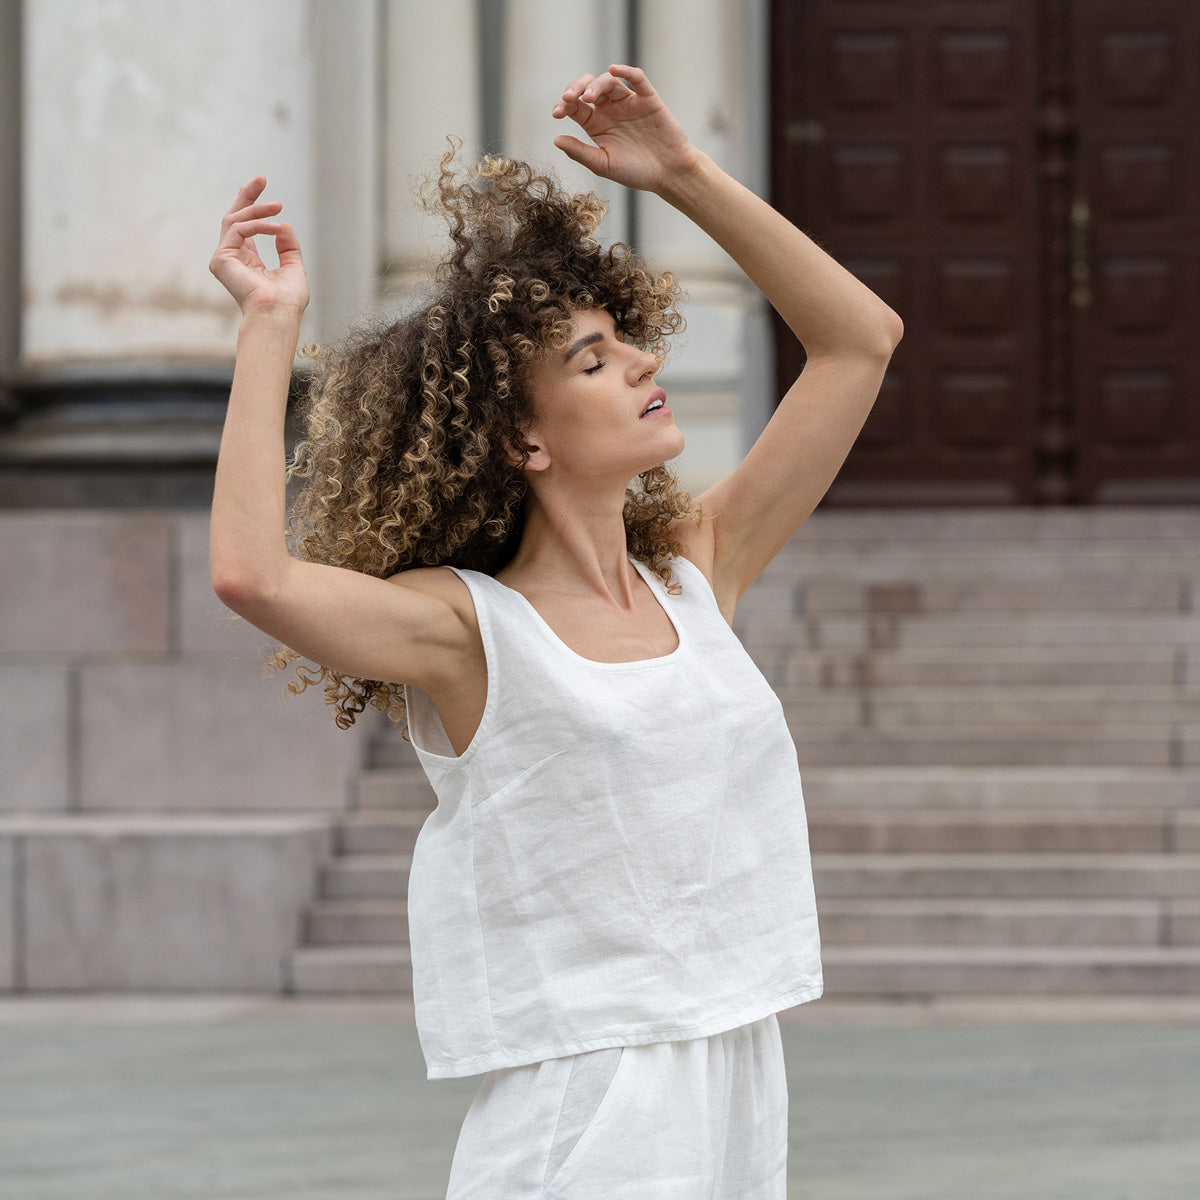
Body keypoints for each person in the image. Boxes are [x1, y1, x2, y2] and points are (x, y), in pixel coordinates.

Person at [209, 63, 901, 1200]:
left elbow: (859, 341)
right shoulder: (469, 632)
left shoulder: (696, 574)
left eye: (627, 341)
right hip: (587, 1101)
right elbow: (253, 575)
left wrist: (683, 176)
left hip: (734, 1056)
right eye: (592, 360)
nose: (641, 362)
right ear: (522, 441)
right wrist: (269, 328)